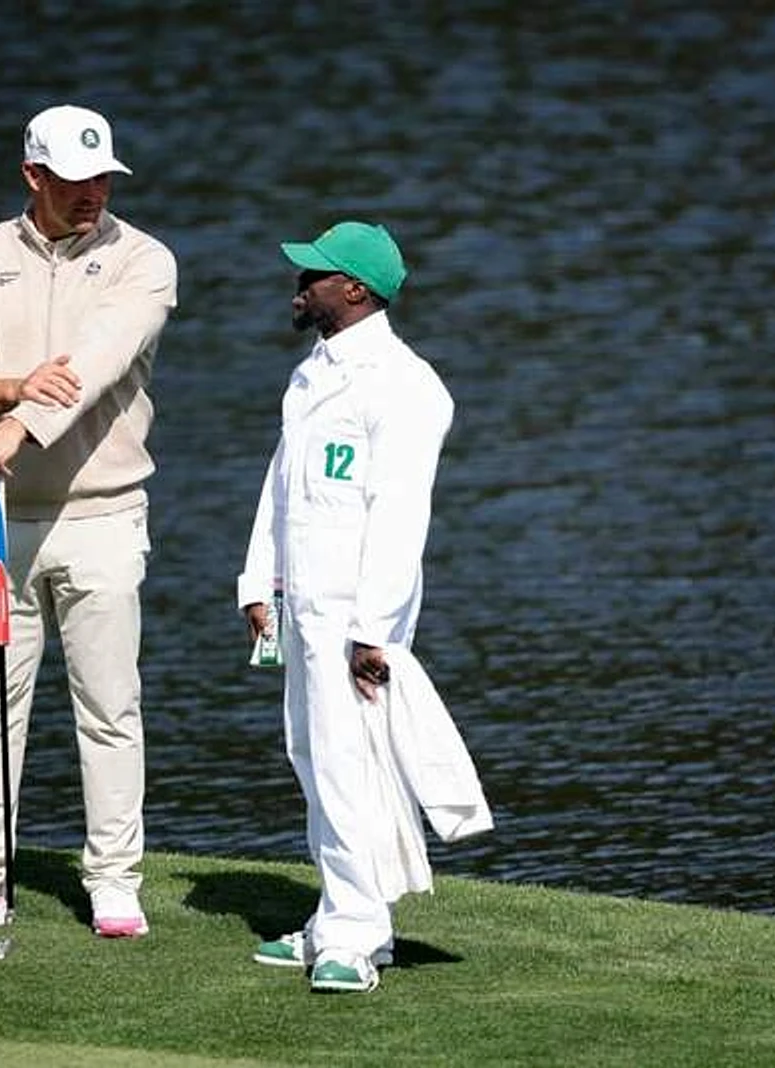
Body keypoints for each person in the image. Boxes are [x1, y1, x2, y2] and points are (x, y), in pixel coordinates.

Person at [0, 104, 177, 940]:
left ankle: (113, 881)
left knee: (108, 706)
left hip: (102, 514)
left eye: (102, 176)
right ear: (33, 176)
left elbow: (95, 367)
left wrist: (16, 425)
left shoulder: (144, 261)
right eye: (73, 179)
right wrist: (14, 389)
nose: (92, 192)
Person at [236, 221, 491, 994]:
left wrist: (374, 630)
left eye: (314, 274)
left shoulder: (406, 385)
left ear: (354, 289)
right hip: (303, 606)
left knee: (350, 768)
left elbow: (400, 516)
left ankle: (357, 936)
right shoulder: (313, 371)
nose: (300, 284)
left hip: (354, 617)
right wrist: (259, 583)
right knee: (313, 761)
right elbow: (282, 488)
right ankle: (334, 918)